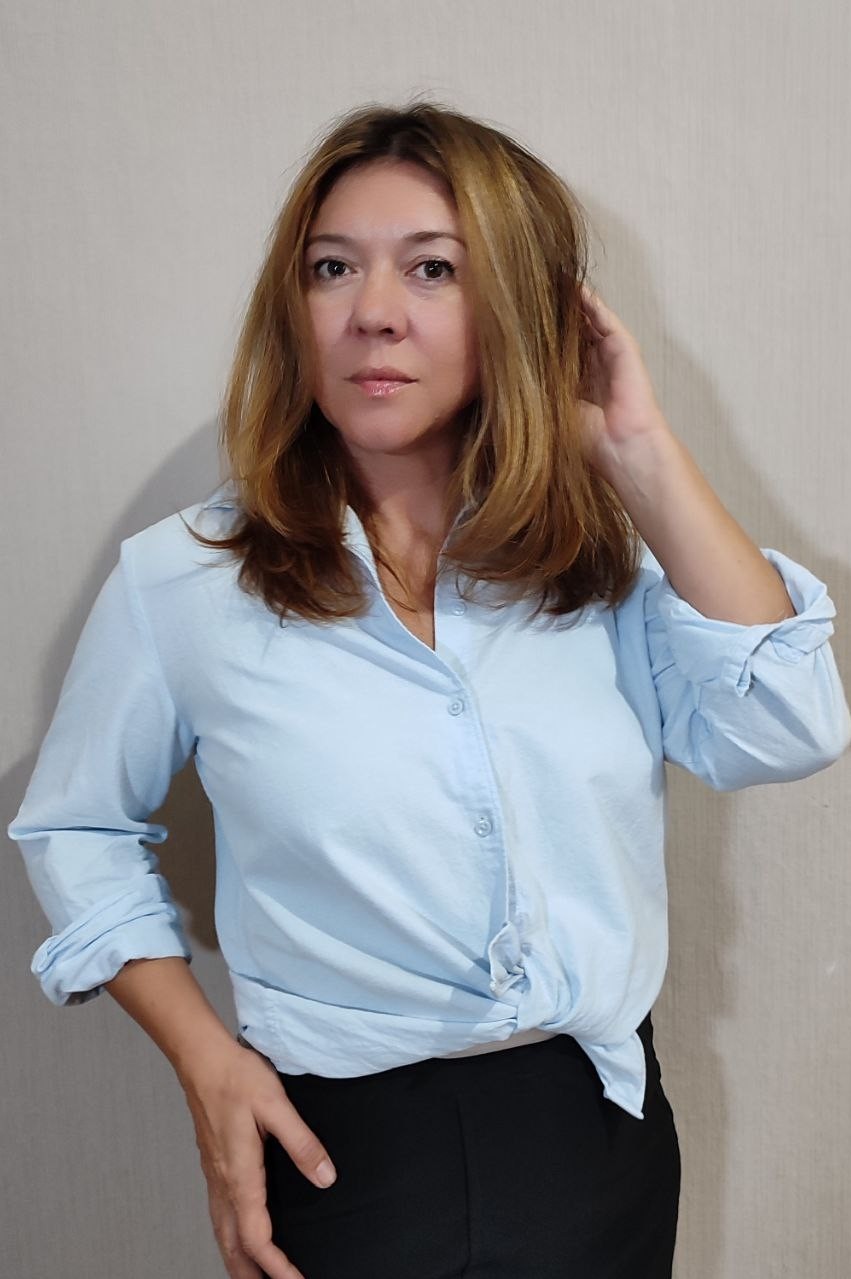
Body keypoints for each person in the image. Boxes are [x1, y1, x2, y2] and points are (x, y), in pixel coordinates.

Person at [8, 99, 851, 1279]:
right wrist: (205, 1062)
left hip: (596, 1130)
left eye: (433, 268)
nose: (372, 312)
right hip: (345, 1156)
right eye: (331, 268)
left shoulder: (600, 564)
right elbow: (76, 827)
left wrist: (637, 453)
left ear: (514, 309)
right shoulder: (184, 580)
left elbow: (786, 726)